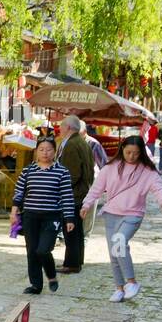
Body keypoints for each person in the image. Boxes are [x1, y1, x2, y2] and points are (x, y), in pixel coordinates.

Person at [80, 134, 162, 302]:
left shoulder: (147, 171)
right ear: (122, 150)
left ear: (141, 152)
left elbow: (158, 188)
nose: (132, 156)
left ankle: (132, 282)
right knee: (114, 253)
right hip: (111, 213)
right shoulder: (110, 167)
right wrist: (86, 205)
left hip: (133, 214)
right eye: (128, 152)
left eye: (136, 153)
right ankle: (119, 288)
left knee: (119, 241)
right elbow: (97, 189)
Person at [10, 137, 76, 294]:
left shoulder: (62, 172)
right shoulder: (28, 170)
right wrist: (14, 212)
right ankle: (36, 285)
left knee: (43, 250)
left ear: (55, 152)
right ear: (36, 152)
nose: (45, 153)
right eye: (41, 149)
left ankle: (51, 275)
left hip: (51, 217)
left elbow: (67, 196)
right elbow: (19, 192)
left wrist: (69, 218)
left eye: (49, 150)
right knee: (32, 251)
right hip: (30, 216)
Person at [54, 115, 95, 273]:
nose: (60, 129)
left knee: (70, 229)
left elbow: (72, 173)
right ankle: (76, 260)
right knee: (77, 229)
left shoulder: (72, 144)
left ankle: (71, 264)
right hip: (80, 192)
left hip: (73, 194)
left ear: (69, 128)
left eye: (62, 126)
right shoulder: (81, 142)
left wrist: (60, 188)